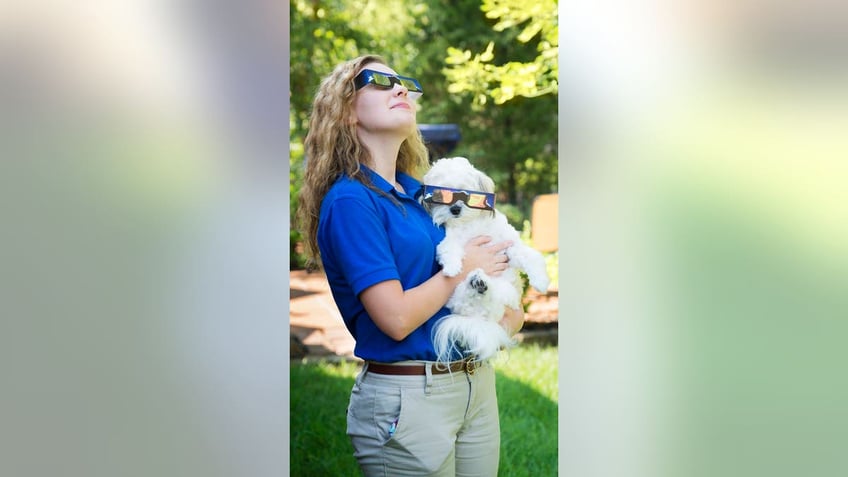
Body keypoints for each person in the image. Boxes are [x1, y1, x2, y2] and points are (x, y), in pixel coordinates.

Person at [296, 54, 524, 476]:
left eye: (403, 82)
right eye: (379, 81)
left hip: (475, 383)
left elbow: (489, 260)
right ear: (346, 112)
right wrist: (462, 268)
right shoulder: (351, 201)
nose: (400, 88)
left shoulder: (429, 196)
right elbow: (396, 318)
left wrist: (504, 308)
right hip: (409, 396)